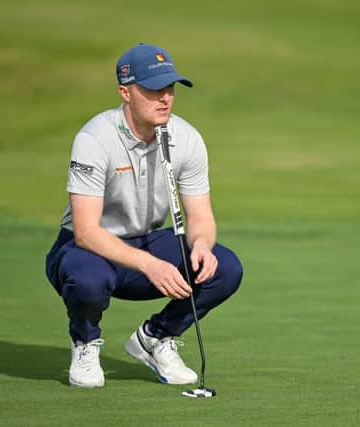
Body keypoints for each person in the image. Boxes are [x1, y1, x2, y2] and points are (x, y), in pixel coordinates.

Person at [44, 43, 243, 388]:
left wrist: (201, 246)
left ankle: (154, 338)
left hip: (148, 239)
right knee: (86, 279)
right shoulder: (95, 138)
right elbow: (86, 232)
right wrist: (151, 265)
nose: (165, 98)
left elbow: (201, 217)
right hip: (87, 251)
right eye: (153, 90)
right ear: (126, 92)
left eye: (170, 88)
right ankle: (85, 343)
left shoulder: (187, 138)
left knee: (224, 267)